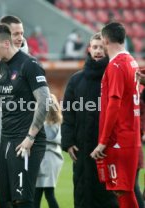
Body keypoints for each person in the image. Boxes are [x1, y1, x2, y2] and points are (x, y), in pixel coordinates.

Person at [0, 23, 50, 208]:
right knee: (5, 200)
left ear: (5, 43)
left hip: (26, 140)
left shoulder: (29, 64)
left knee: (22, 200)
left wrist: (30, 137)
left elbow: (44, 101)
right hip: (7, 138)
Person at [61, 32, 119, 208]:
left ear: (107, 49)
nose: (98, 51)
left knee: (109, 197)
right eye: (95, 47)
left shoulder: (114, 77)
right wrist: (69, 141)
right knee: (82, 195)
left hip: (108, 149)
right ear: (89, 49)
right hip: (82, 149)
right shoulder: (76, 80)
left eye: (102, 47)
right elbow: (68, 114)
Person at [90, 22, 141, 208]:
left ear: (105, 39)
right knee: (123, 191)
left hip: (120, 138)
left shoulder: (117, 65)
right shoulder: (131, 61)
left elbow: (114, 105)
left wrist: (103, 141)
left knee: (122, 190)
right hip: (130, 134)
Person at [34, 94, 63, 208]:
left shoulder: (44, 125)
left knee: (38, 195)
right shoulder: (56, 123)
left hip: (44, 160)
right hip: (53, 160)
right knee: (48, 194)